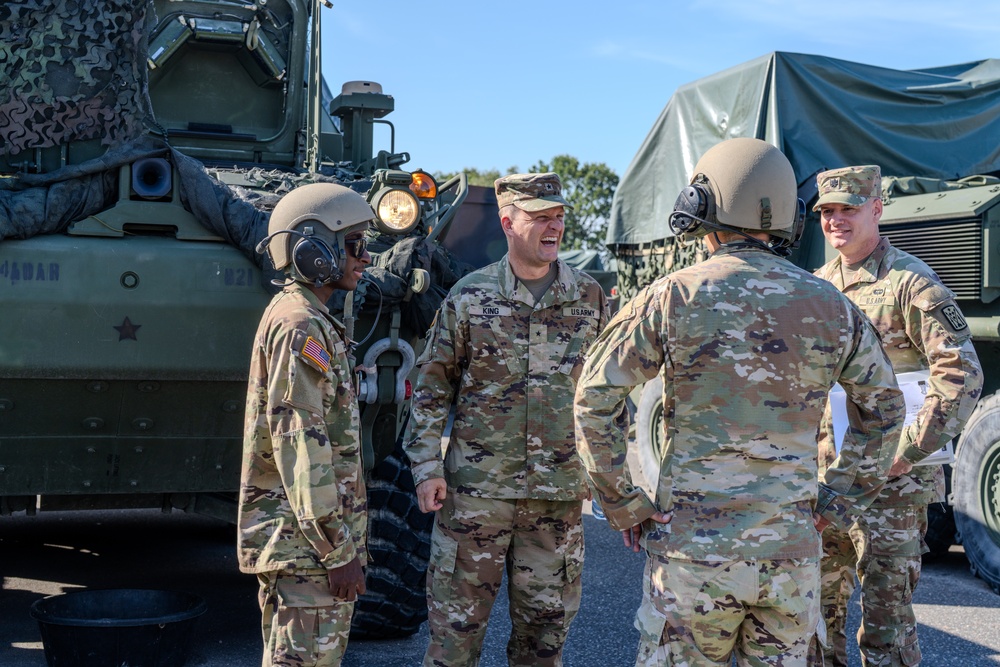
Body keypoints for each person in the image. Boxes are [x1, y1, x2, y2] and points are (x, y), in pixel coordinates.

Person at [573, 138, 905, 667]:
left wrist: (622, 502)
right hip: (790, 560)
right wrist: (839, 500)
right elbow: (885, 409)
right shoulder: (831, 305)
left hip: (690, 559)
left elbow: (594, 396)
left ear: (704, 207)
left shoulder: (672, 296)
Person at [403, 172, 609, 667]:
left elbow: (610, 395)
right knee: (454, 643)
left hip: (555, 505)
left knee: (542, 647)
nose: (553, 227)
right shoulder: (469, 298)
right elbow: (431, 388)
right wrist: (426, 467)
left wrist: (611, 473)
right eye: (540, 217)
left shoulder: (590, 299)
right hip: (476, 500)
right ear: (508, 222)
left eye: (559, 217)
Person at [811, 165, 984, 667]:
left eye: (849, 208)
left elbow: (960, 375)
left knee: (887, 627)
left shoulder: (912, 284)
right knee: (814, 621)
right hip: (828, 478)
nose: (837, 220)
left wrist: (906, 452)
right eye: (828, 211)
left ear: (878, 209)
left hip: (892, 487)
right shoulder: (818, 288)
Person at [238, 183, 374, 667]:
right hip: (309, 556)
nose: (366, 259)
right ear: (316, 250)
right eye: (356, 245)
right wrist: (338, 552)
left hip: (307, 551)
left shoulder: (310, 319)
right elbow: (301, 447)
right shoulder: (301, 325)